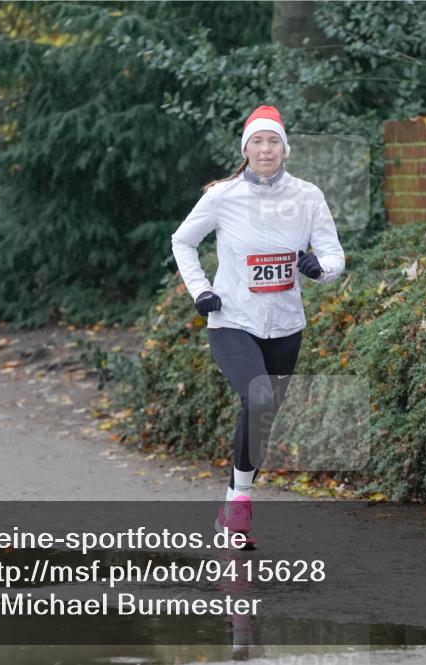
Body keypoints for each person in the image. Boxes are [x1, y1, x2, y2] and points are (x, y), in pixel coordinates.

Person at [171, 105, 345, 549]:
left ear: (284, 149)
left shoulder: (308, 196)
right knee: (259, 395)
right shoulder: (222, 196)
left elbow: (333, 254)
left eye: (273, 142)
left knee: (262, 416)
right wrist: (200, 291)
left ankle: (231, 504)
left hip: (286, 324)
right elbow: (182, 240)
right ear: (245, 149)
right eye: (257, 142)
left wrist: (318, 268)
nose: (265, 150)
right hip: (232, 320)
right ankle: (242, 506)